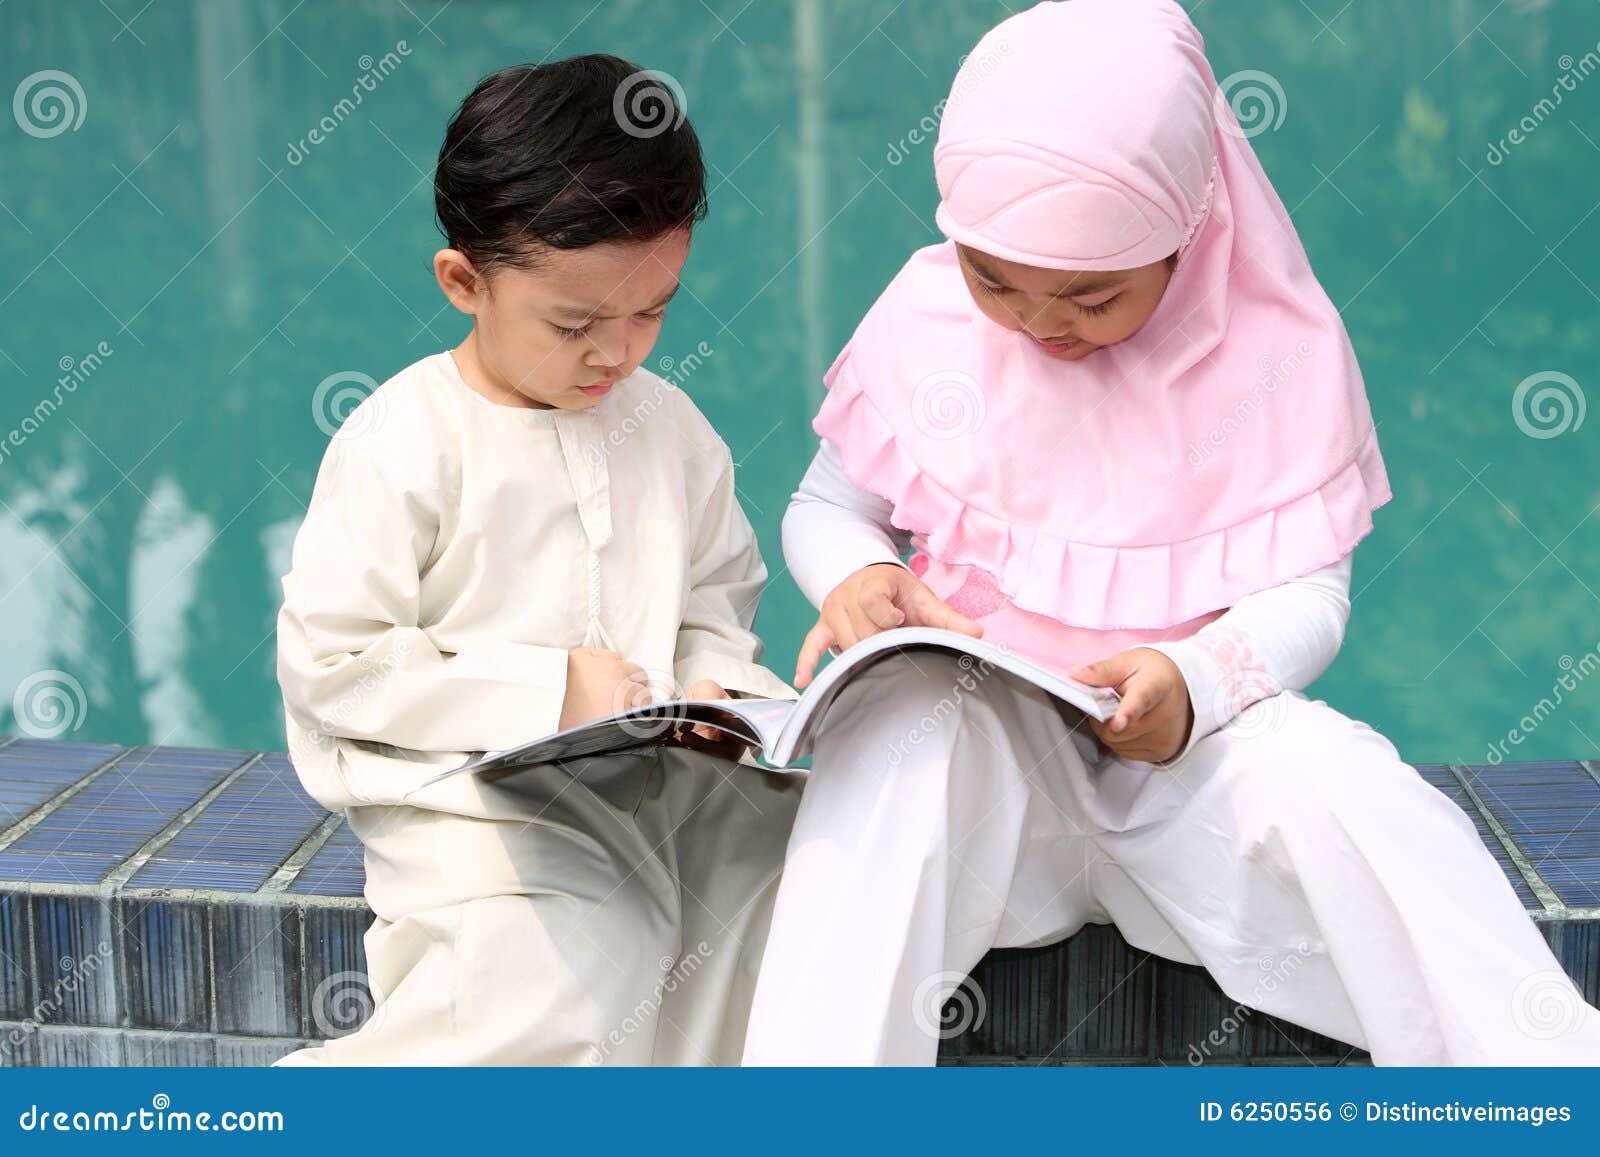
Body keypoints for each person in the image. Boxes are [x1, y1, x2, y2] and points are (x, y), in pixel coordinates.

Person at [741, 0, 1600, 1066]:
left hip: (1188, 771)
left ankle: (1550, 1078)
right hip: (986, 783)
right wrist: (861, 576)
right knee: (898, 738)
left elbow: (1310, 593)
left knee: (1343, 782)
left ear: (1189, 236)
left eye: (1091, 297)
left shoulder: (1278, 352)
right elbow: (828, 505)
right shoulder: (933, 318)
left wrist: (1193, 680)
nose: (1037, 324)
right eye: (993, 279)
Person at [272, 56, 800, 1066]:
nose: (619, 353)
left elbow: (715, 599)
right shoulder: (403, 442)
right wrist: (551, 687)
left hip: (653, 785)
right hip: (466, 797)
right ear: (464, 282)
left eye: (651, 311)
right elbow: (333, 664)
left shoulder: (672, 430)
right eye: (575, 324)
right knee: (570, 966)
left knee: (787, 887)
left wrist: (713, 683)